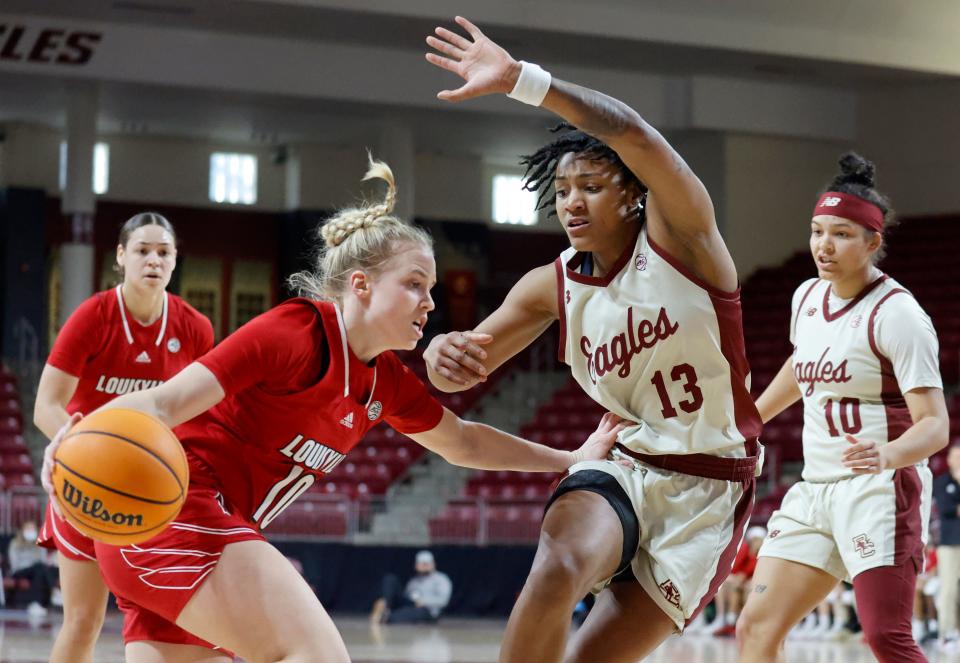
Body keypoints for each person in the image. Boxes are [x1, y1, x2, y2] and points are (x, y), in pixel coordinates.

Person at [40, 157, 627, 663]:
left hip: (174, 533)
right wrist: (72, 442)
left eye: (431, 289)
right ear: (362, 285)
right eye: (415, 284)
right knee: (319, 654)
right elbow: (165, 402)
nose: (430, 301)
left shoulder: (385, 382)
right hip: (180, 514)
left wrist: (571, 458)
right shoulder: (294, 333)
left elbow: (465, 442)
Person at [424, 17, 762, 662]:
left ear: (633, 193)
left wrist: (524, 81)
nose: (572, 203)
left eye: (592, 187)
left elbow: (629, 132)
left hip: (711, 490)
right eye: (563, 191)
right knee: (557, 566)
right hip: (625, 466)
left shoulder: (684, 242)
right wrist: (443, 356)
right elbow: (466, 365)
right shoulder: (549, 284)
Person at [735, 153, 949, 663]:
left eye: (842, 234)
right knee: (755, 627)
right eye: (816, 231)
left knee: (885, 638)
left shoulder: (899, 316)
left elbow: (936, 427)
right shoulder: (806, 296)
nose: (823, 246)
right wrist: (749, 420)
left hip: (880, 490)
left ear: (873, 242)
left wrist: (887, 455)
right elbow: (800, 364)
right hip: (816, 489)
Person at [34, 212, 214, 663]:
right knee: (83, 622)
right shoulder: (93, 316)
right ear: (120, 256)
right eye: (142, 250)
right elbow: (45, 406)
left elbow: (202, 415)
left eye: (163, 252)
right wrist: (87, 451)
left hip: (150, 486)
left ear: (174, 261)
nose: (153, 260)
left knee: (166, 619)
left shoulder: (196, 327)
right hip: (85, 482)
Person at [701, 526, 765, 636]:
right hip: (741, 582)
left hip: (756, 581)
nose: (756, 543)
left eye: (758, 540)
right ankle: (722, 619)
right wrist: (738, 577)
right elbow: (734, 569)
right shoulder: (744, 549)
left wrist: (742, 577)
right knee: (723, 585)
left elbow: (757, 572)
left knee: (747, 587)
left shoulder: (763, 553)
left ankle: (743, 622)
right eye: (754, 540)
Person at [370, 549, 452, 624]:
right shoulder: (414, 580)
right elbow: (407, 596)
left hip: (427, 610)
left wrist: (423, 602)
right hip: (411, 604)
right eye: (422, 563)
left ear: (433, 564)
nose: (424, 566)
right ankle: (384, 606)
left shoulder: (441, 579)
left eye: (426, 563)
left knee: (397, 617)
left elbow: (443, 601)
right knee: (390, 579)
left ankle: (386, 617)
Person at [934, 444, 960, 647]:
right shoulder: (942, 482)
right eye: (956, 456)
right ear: (949, 460)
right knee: (949, 589)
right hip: (950, 544)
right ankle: (946, 633)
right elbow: (947, 508)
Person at [6, 520, 57, 616]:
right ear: (22, 530)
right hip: (20, 571)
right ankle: (53, 591)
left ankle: (36, 603)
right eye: (28, 529)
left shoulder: (39, 544)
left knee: (45, 570)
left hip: (37, 570)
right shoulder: (15, 544)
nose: (31, 531)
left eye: (32, 529)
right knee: (40, 568)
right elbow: (14, 564)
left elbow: (43, 560)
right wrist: (32, 566)